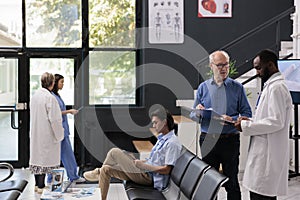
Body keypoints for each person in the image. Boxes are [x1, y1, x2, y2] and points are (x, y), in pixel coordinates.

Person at [190, 50, 252, 200]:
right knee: (208, 182)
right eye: (219, 65)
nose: (223, 68)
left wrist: (230, 119)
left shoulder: (237, 88)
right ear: (211, 66)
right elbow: (192, 114)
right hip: (208, 139)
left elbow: (247, 114)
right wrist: (198, 112)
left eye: (226, 65)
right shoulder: (203, 88)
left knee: (232, 181)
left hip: (229, 140)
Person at [83, 108, 182, 200]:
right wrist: (138, 162)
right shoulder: (162, 139)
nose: (153, 126)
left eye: (155, 123)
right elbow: (155, 161)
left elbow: (167, 170)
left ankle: (97, 172)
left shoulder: (172, 143)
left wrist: (144, 166)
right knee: (106, 169)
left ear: (164, 122)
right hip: (144, 172)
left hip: (149, 178)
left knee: (114, 152)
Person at [235, 49, 293, 200]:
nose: (257, 72)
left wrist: (247, 127)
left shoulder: (277, 88)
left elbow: (276, 121)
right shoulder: (271, 86)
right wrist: (249, 122)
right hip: (263, 151)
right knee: (257, 193)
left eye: (258, 67)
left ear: (271, 65)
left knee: (262, 195)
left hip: (267, 156)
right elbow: (267, 117)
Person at [29, 72, 64, 193]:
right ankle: (41, 186)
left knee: (37, 159)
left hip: (36, 132)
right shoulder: (50, 98)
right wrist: (60, 134)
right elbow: (55, 119)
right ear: (52, 83)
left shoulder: (35, 96)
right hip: (47, 134)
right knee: (44, 160)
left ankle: (37, 185)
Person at [47, 74, 85, 183]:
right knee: (55, 155)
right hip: (57, 130)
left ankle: (73, 176)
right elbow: (54, 113)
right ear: (55, 83)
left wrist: (69, 111)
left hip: (63, 129)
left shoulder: (56, 95)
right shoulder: (51, 97)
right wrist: (69, 111)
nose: (63, 84)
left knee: (67, 153)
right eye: (61, 82)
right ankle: (51, 179)